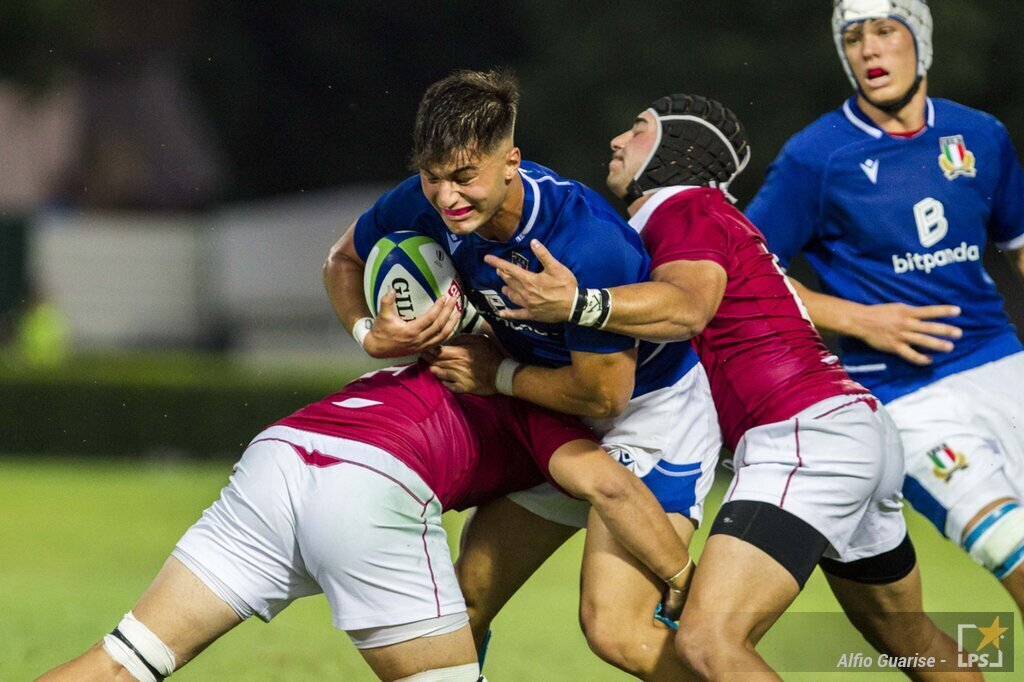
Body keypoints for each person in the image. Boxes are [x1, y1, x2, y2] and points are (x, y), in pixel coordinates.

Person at [484, 93, 975, 679]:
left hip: (802, 438)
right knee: (910, 639)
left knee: (709, 642)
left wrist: (578, 303)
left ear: (680, 150)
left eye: (638, 129)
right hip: (850, 430)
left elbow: (689, 308)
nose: (617, 140)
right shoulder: (713, 219)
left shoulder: (680, 206)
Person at [323, 68, 721, 678]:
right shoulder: (425, 202)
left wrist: (498, 376)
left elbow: (605, 397)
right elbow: (342, 260)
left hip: (649, 414)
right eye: (432, 177)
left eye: (464, 177)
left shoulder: (583, 241)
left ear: (511, 161)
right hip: (550, 407)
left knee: (616, 631)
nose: (446, 197)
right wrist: (367, 335)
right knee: (463, 605)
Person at [38, 361, 694, 682]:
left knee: (123, 661)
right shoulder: (541, 407)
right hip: (371, 484)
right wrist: (682, 578)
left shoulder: (431, 361)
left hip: (281, 456)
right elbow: (611, 487)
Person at [746, 0, 1024, 614]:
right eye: (853, 38)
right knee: (1013, 550)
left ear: (919, 39)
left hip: (1004, 366)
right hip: (907, 398)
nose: (869, 48)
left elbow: (1018, 243)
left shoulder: (980, 135)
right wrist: (857, 319)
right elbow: (745, 271)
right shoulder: (816, 155)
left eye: (885, 31)